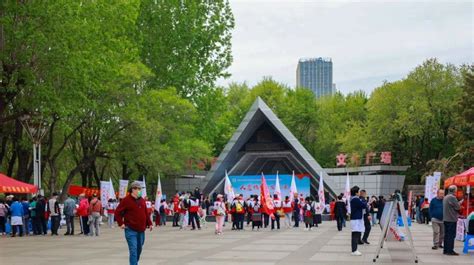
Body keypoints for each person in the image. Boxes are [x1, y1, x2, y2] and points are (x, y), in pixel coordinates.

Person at [115, 181, 153, 265]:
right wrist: (121, 223)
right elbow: (117, 212)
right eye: (138, 189)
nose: (139, 190)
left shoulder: (142, 200)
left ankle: (135, 262)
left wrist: (150, 223)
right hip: (130, 229)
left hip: (141, 229)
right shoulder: (126, 200)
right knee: (133, 250)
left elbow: (145, 213)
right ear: (133, 189)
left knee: (139, 249)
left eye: (140, 189)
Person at [443, 185, 461, 256]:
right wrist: (459, 203)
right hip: (451, 219)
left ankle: (446, 250)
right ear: (454, 190)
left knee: (446, 235)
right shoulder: (452, 197)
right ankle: (450, 250)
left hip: (446, 218)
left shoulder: (446, 197)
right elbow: (458, 207)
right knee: (451, 235)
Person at [350, 186, 367, 256]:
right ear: (356, 192)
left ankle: (354, 250)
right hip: (356, 219)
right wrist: (365, 199)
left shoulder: (354, 199)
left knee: (355, 234)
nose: (359, 193)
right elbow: (364, 205)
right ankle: (354, 250)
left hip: (355, 219)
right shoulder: (355, 199)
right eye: (358, 191)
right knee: (355, 235)